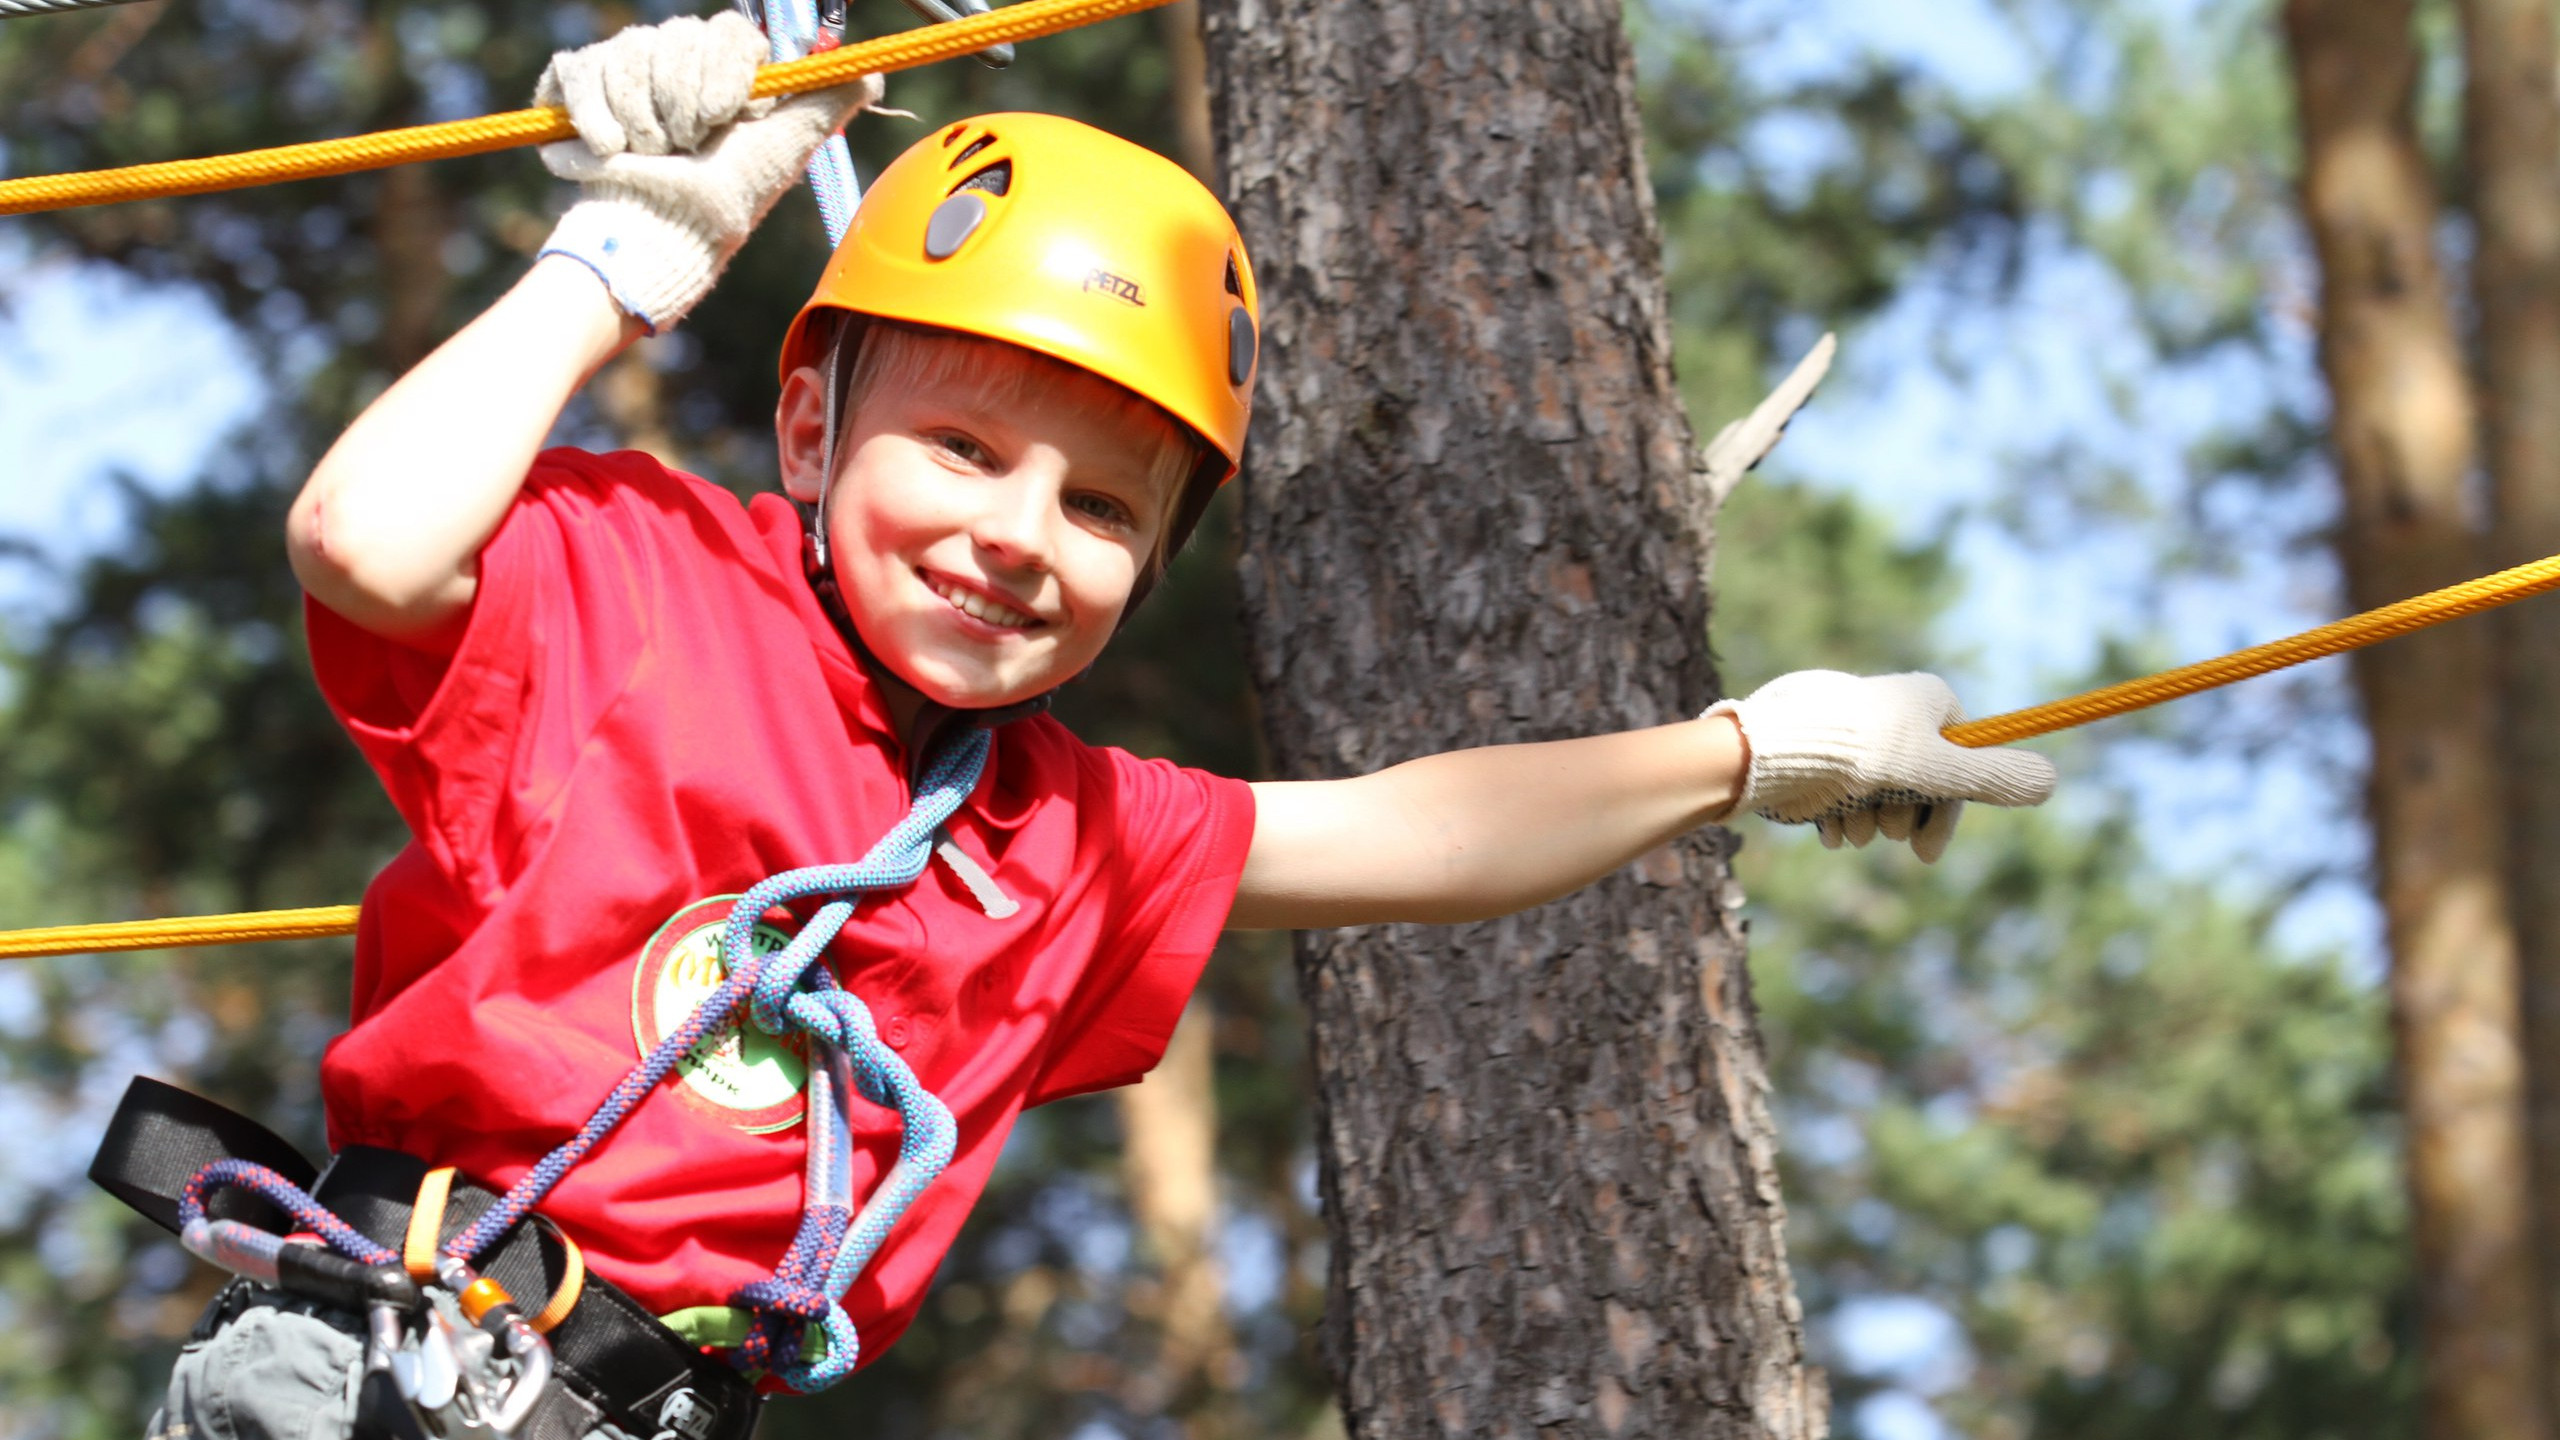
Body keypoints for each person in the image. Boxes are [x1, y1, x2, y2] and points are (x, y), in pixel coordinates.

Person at [143, 13, 2056, 1440]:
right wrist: (620, 259)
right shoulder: (639, 583)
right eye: (961, 449)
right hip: (376, 1370)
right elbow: (363, 539)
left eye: (1100, 507)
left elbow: (1414, 835)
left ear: (1149, 569)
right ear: (809, 428)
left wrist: (1753, 751)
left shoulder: (1058, 831)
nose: (1012, 537)